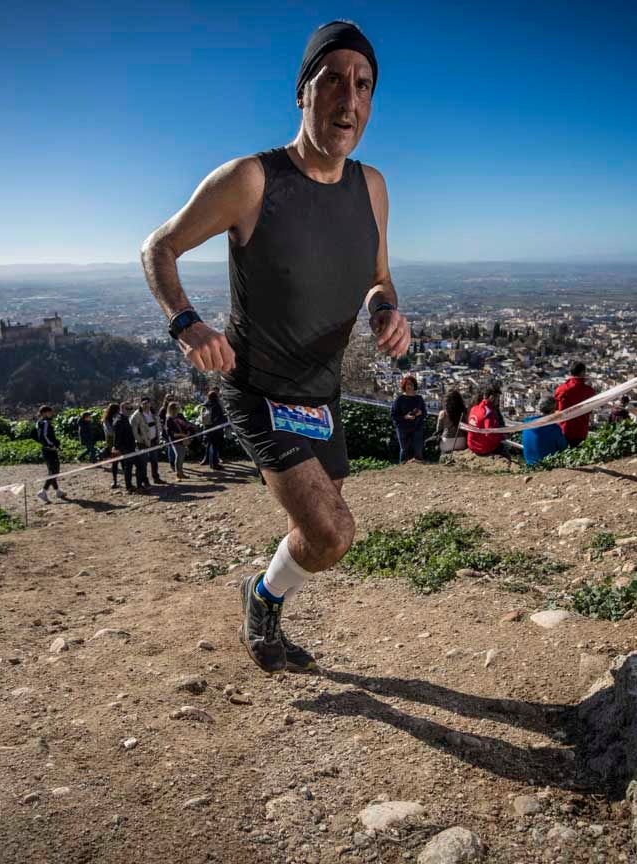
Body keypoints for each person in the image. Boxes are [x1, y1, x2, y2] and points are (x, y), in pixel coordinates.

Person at [141, 20, 408, 675]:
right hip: (257, 386)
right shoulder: (251, 180)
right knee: (334, 532)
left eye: (364, 85)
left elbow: (378, 274)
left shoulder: (372, 188)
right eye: (334, 81)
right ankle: (263, 611)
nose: (349, 99)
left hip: (322, 393)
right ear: (303, 93)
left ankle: (260, 596)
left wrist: (386, 309)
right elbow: (159, 247)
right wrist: (187, 324)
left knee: (320, 536)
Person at [554, 361, 598, 447]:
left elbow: (556, 409)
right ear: (583, 373)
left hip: (563, 429)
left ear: (570, 372)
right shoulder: (589, 391)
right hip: (581, 430)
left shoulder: (561, 389)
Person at [465, 382, 513, 460]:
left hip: (472, 445)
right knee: (503, 448)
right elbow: (490, 433)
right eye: (498, 398)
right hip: (482, 448)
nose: (499, 401)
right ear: (492, 397)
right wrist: (503, 436)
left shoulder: (474, 408)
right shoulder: (488, 412)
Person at [520, 395, 569, 465]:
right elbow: (563, 448)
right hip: (547, 465)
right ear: (552, 410)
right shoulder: (554, 428)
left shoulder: (527, 424)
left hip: (530, 464)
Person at [112, 401, 147, 492]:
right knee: (140, 465)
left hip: (130, 447)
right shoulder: (119, 420)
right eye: (127, 408)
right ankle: (139, 486)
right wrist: (117, 448)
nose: (130, 410)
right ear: (121, 409)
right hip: (125, 448)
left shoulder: (125, 418)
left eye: (131, 408)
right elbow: (117, 437)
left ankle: (129, 486)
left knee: (128, 466)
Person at [390, 374, 426, 463]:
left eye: (412, 384)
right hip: (402, 427)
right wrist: (405, 417)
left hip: (416, 426)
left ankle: (420, 466)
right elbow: (393, 414)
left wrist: (420, 413)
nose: (410, 386)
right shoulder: (399, 399)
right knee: (404, 449)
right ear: (404, 386)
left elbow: (425, 412)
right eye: (408, 384)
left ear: (414, 386)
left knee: (418, 448)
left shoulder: (419, 398)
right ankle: (402, 466)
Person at [35, 405, 67, 504]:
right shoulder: (44, 422)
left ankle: (58, 491)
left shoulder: (42, 422)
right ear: (44, 413)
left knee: (53, 471)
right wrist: (51, 445)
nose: (51, 414)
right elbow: (43, 436)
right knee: (54, 471)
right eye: (49, 412)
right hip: (49, 450)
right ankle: (43, 491)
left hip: (49, 450)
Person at [130, 397, 166, 484]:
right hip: (143, 443)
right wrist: (140, 440)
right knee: (143, 462)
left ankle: (156, 478)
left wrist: (159, 437)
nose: (146, 405)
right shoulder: (136, 416)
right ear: (141, 404)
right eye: (144, 403)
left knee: (154, 460)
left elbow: (158, 426)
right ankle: (145, 480)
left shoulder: (154, 414)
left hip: (154, 440)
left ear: (150, 403)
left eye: (147, 403)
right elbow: (134, 431)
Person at [164, 401, 197, 480]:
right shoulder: (169, 419)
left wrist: (189, 431)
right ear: (173, 409)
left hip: (183, 439)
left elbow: (186, 424)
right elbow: (170, 433)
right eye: (177, 408)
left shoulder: (180, 416)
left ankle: (181, 472)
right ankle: (178, 473)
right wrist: (182, 435)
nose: (179, 409)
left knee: (182, 456)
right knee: (179, 456)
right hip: (176, 440)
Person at [430, 388, 468, 455]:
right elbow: (466, 430)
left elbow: (438, 431)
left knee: (443, 450)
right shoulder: (463, 413)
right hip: (462, 442)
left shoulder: (443, 413)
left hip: (447, 443)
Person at [202, 388, 226, 470]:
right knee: (215, 447)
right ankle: (215, 464)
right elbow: (220, 418)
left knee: (210, 445)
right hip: (216, 429)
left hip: (207, 428)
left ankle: (210, 462)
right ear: (216, 397)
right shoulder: (216, 405)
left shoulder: (205, 405)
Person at [101, 402, 123, 489]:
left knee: (124, 463)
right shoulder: (106, 420)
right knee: (115, 463)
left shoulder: (119, 418)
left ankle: (127, 482)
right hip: (113, 445)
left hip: (121, 443)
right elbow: (110, 432)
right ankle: (115, 481)